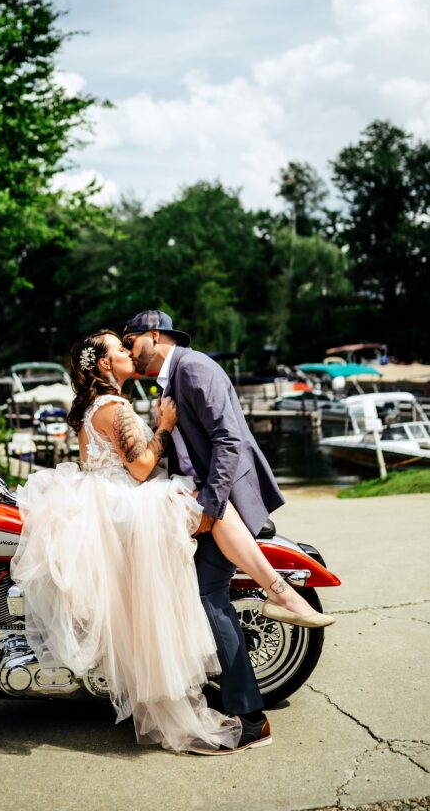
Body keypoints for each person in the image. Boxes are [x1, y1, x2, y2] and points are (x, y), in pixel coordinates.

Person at [121, 309, 334, 755]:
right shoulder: (171, 378)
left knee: (205, 595)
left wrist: (208, 509)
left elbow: (229, 440)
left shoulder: (195, 368)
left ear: (154, 335)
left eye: (131, 339)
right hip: (209, 505)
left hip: (226, 506)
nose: (127, 349)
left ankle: (250, 717)